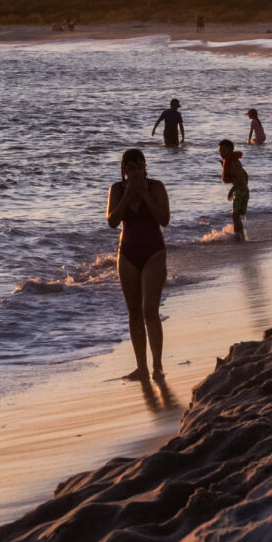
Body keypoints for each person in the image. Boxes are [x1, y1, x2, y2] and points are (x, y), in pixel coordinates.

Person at [106, 148, 170, 381]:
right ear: (123, 170)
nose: (133, 171)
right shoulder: (117, 189)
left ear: (145, 167)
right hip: (127, 254)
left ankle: (157, 366)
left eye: (138, 166)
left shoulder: (156, 187)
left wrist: (143, 194)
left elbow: (164, 219)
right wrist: (128, 195)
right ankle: (141, 367)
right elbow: (112, 221)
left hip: (154, 252)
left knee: (150, 310)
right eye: (129, 167)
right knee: (133, 311)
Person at [218, 138, 251, 241]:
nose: (221, 153)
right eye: (219, 151)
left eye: (223, 150)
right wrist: (244, 188)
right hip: (242, 190)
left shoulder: (233, 163)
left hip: (240, 190)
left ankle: (238, 236)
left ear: (230, 151)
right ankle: (241, 235)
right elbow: (245, 175)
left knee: (235, 215)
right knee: (236, 215)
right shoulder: (233, 161)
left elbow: (240, 178)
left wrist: (233, 190)